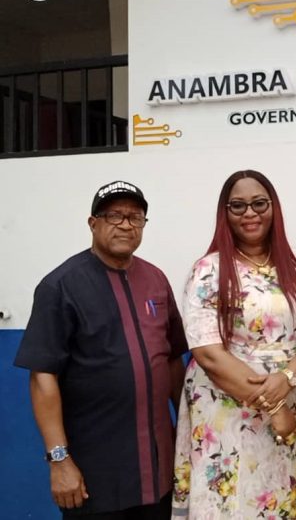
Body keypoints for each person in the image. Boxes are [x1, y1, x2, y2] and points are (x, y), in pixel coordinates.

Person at [14, 180, 188, 518]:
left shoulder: (156, 280)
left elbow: (172, 361)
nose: (125, 225)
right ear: (93, 223)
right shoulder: (60, 286)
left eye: (135, 217)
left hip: (159, 468)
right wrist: (59, 460)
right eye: (114, 216)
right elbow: (42, 377)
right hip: (94, 474)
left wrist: (188, 433)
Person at [171, 170, 296, 519]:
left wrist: (286, 378)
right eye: (238, 206)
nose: (249, 213)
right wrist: (274, 406)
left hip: (292, 402)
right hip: (225, 409)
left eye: (259, 203)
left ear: (274, 207)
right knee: (233, 501)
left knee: (287, 496)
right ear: (225, 213)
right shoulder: (208, 270)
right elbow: (208, 354)